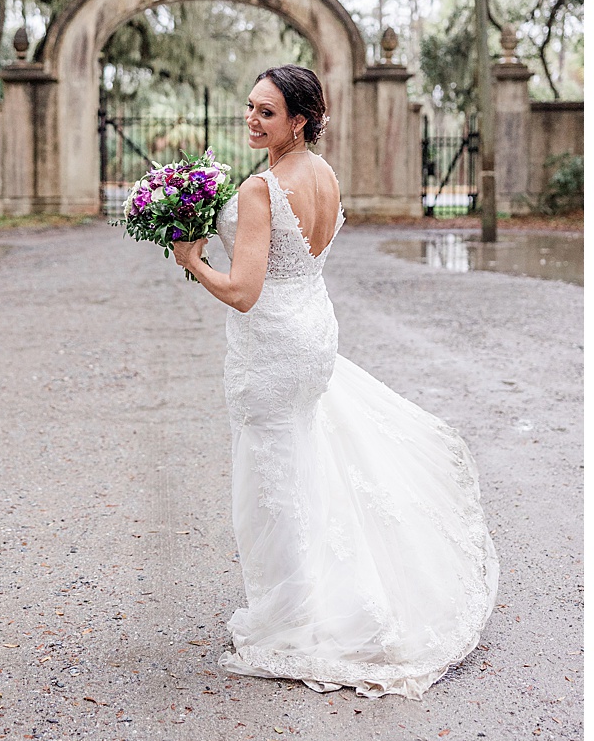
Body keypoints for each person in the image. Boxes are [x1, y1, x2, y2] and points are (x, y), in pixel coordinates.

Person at [173, 65, 499, 697]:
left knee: (272, 473)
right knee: (305, 458)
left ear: (299, 121)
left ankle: (292, 617)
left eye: (267, 112)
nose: (252, 120)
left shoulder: (261, 190)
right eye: (250, 108)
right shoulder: (323, 175)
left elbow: (243, 292)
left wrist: (193, 263)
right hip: (314, 328)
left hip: (272, 342)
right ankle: (325, 589)